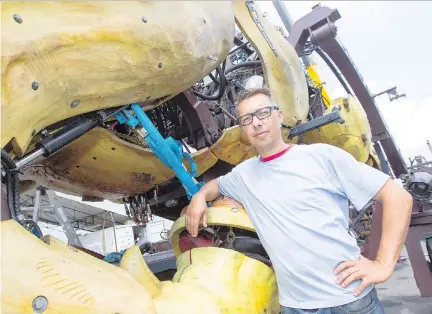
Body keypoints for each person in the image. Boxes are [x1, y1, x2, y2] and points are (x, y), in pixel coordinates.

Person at [184, 87, 413, 313]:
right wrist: (199, 196)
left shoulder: (322, 156)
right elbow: (216, 186)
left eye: (263, 113)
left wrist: (383, 264)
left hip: (349, 301)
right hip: (295, 307)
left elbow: (398, 197)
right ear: (243, 129)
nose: (256, 122)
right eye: (247, 119)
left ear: (279, 115)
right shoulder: (244, 175)